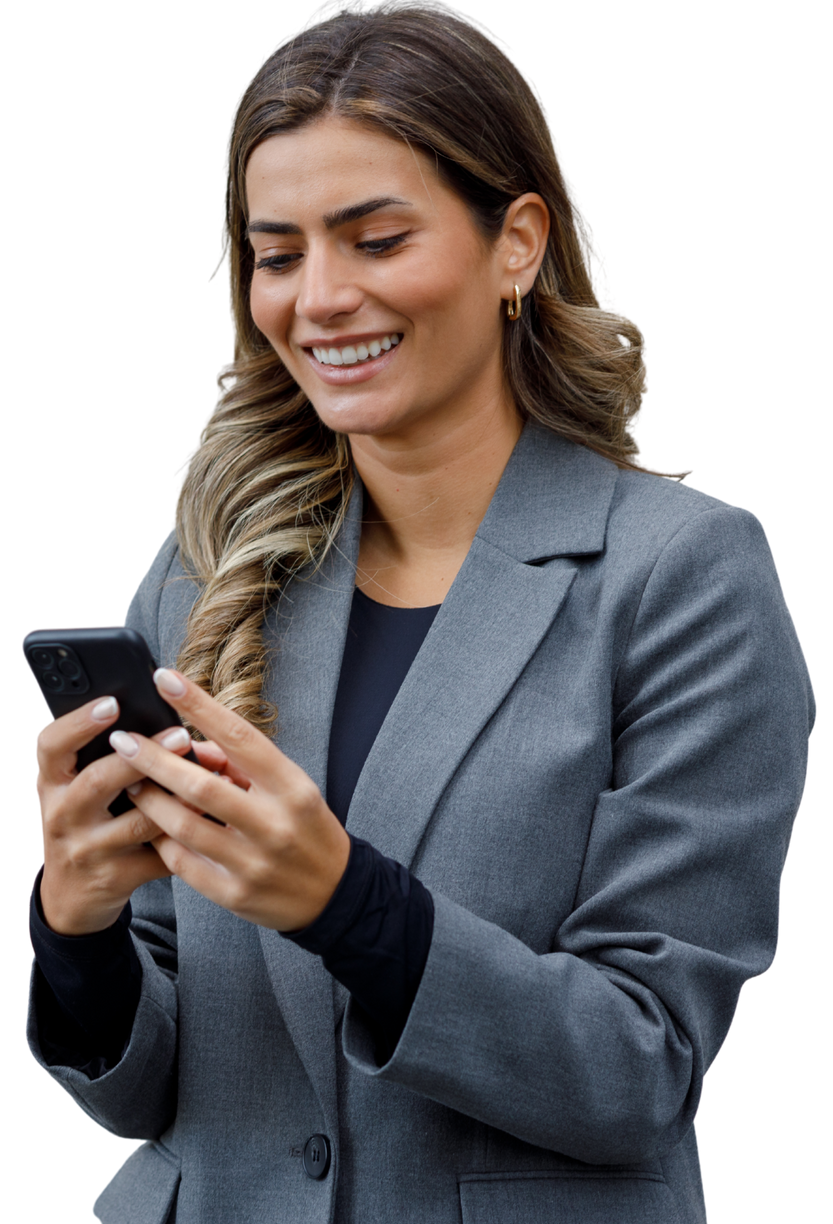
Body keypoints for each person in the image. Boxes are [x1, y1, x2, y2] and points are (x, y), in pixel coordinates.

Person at [26, 2, 814, 1221]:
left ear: (517, 243)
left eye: (376, 239)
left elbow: (637, 1069)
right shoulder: (207, 572)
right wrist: (75, 932)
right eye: (278, 255)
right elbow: (150, 1089)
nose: (320, 298)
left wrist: (346, 905)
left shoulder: (681, 577)